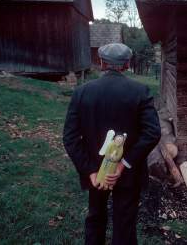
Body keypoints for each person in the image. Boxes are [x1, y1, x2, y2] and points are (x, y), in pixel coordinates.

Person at [63, 43, 161, 245]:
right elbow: (152, 133)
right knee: (125, 223)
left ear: (101, 63)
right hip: (127, 172)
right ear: (126, 64)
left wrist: (90, 170)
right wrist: (123, 163)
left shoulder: (82, 92)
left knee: (95, 217)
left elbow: (70, 137)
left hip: (95, 171)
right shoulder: (140, 91)